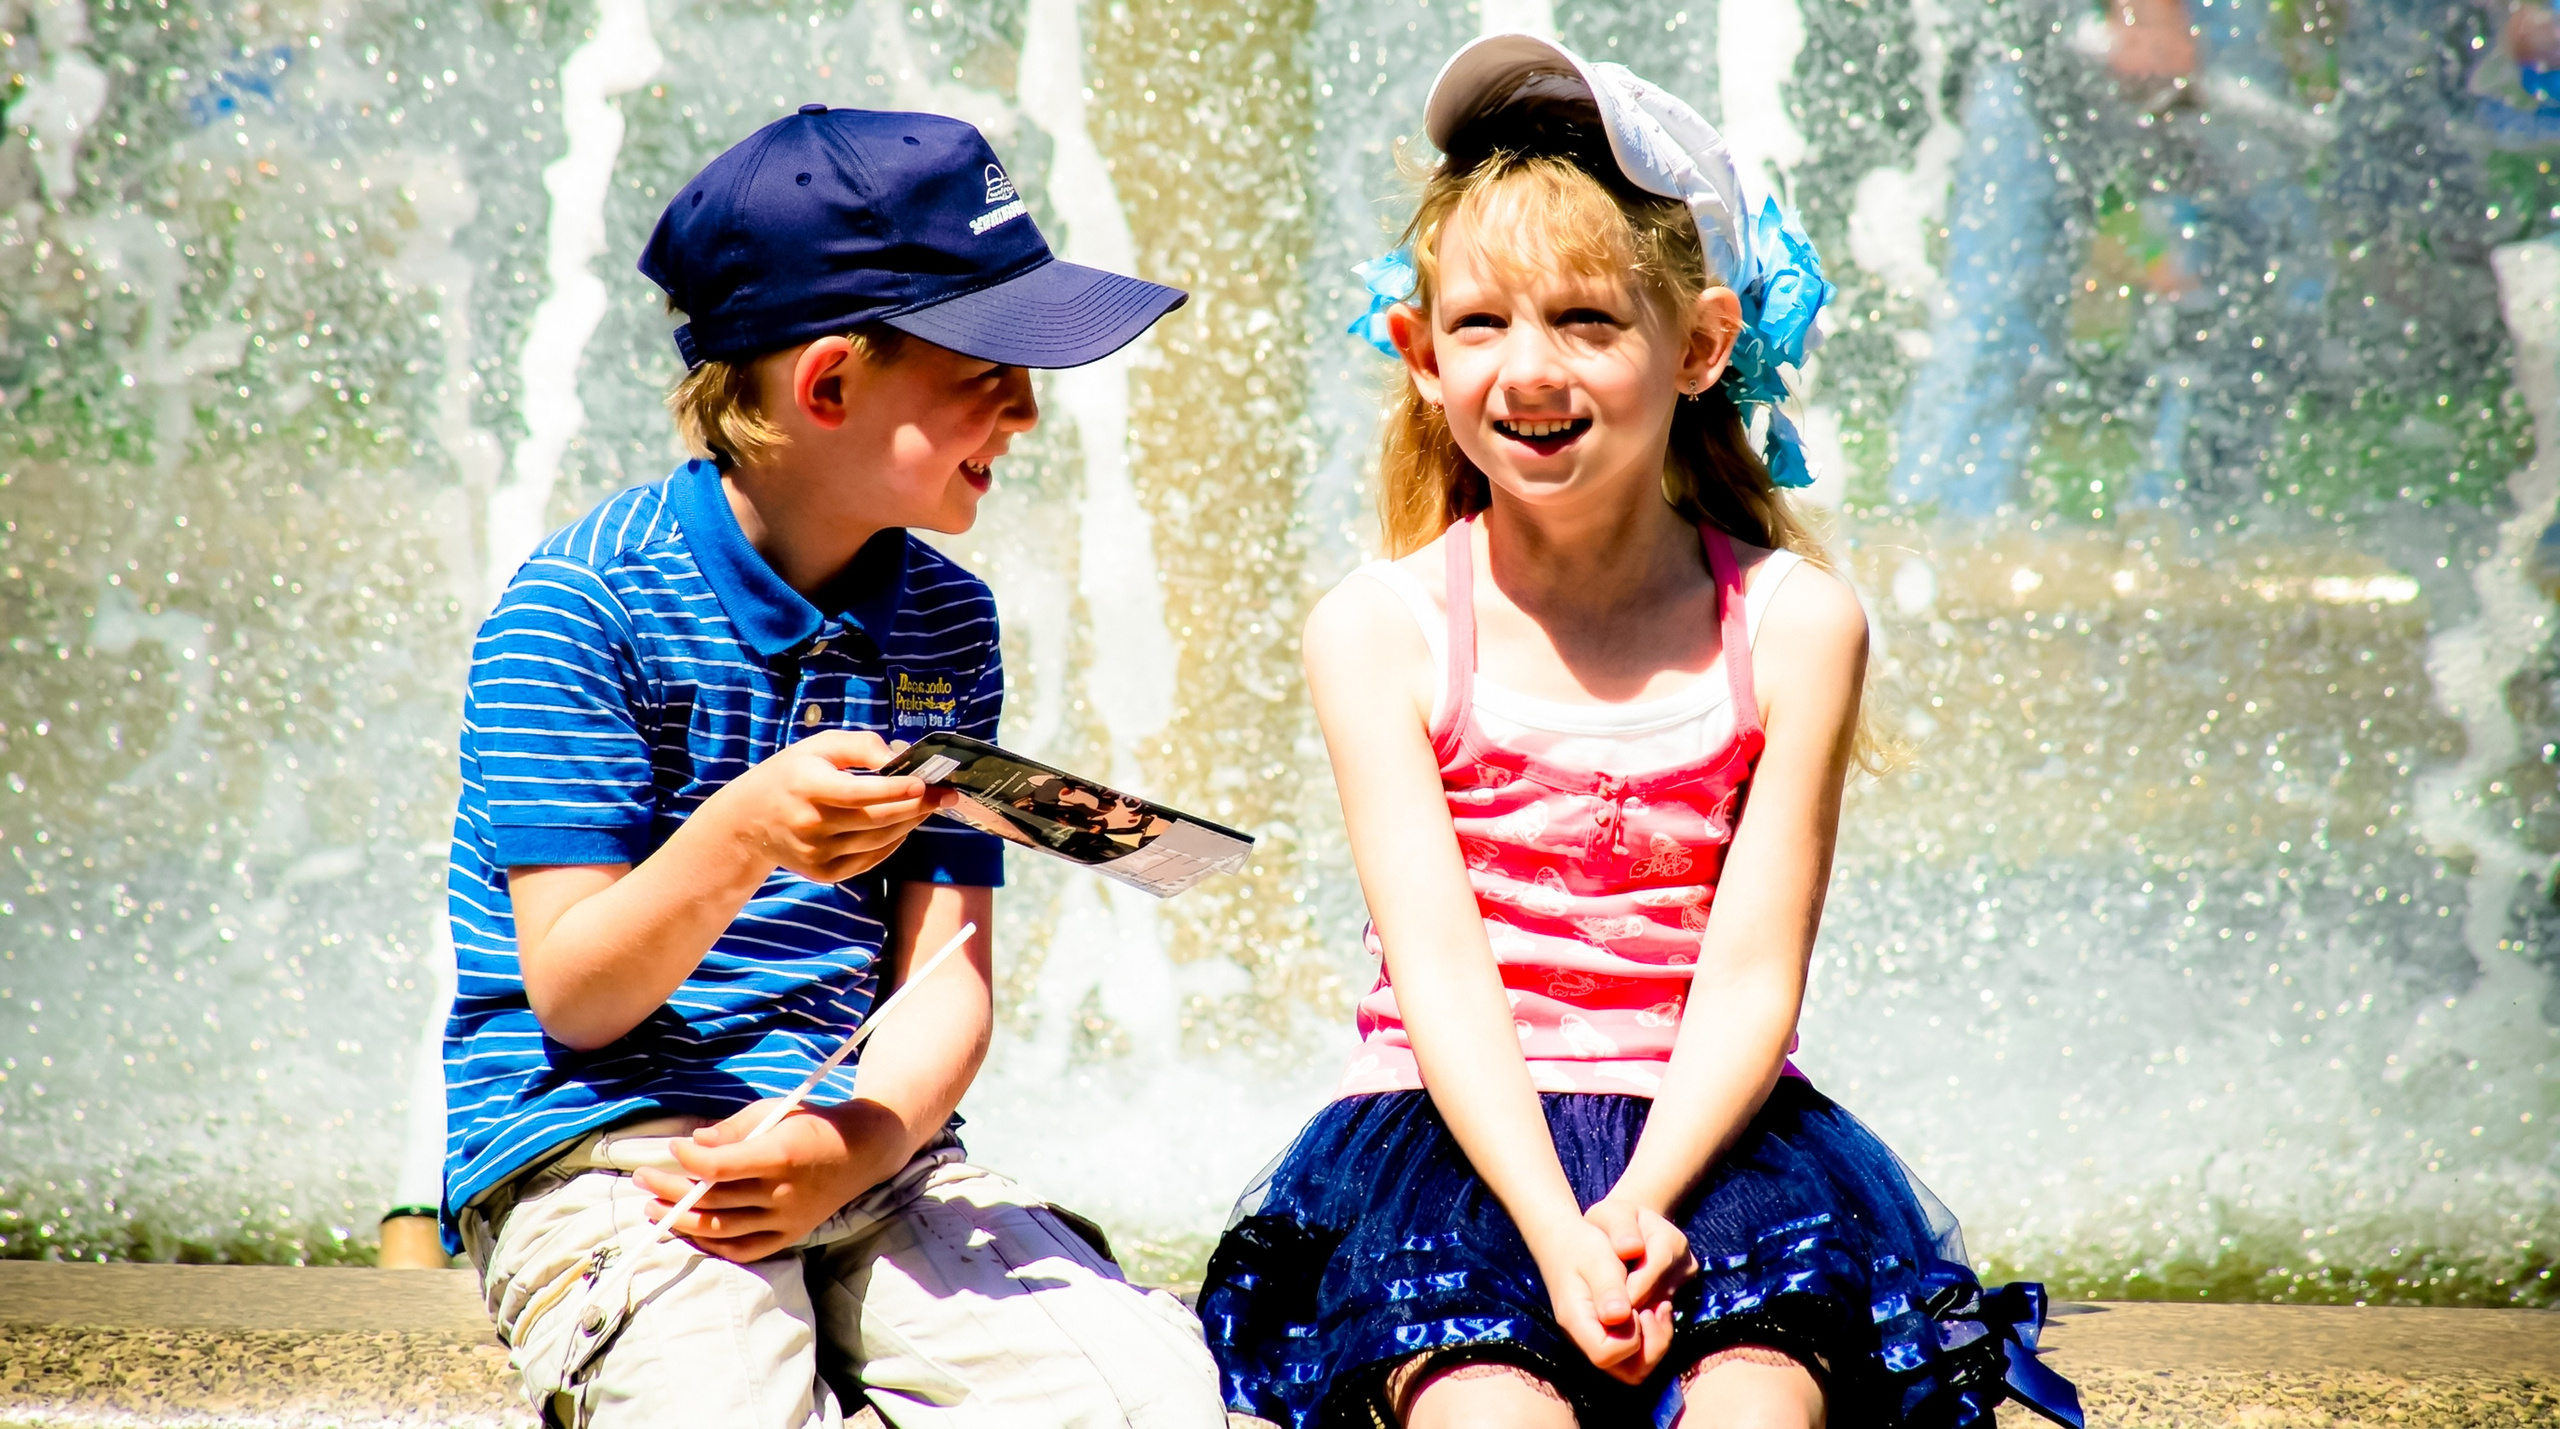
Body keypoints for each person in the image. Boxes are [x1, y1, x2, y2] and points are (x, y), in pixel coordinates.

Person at [1196, 36, 2083, 1429]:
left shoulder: (1794, 623)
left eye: (1588, 321)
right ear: (1420, 356)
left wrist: (1645, 1200)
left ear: (1703, 344)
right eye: (1481, 323)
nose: (1529, 367)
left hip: (1717, 1146)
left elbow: (1749, 978)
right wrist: (1559, 1230)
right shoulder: (1382, 629)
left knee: (1754, 1413)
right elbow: (1440, 974)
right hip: (1456, 1147)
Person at [439, 103, 1225, 1429]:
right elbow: (573, 991)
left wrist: (859, 1141)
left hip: (876, 1145)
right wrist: (743, 831)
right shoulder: (578, 608)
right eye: (989, 365)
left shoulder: (944, 621)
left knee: (1146, 1399)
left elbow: (943, 974)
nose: (1028, 409)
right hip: (623, 1152)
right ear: (829, 386)